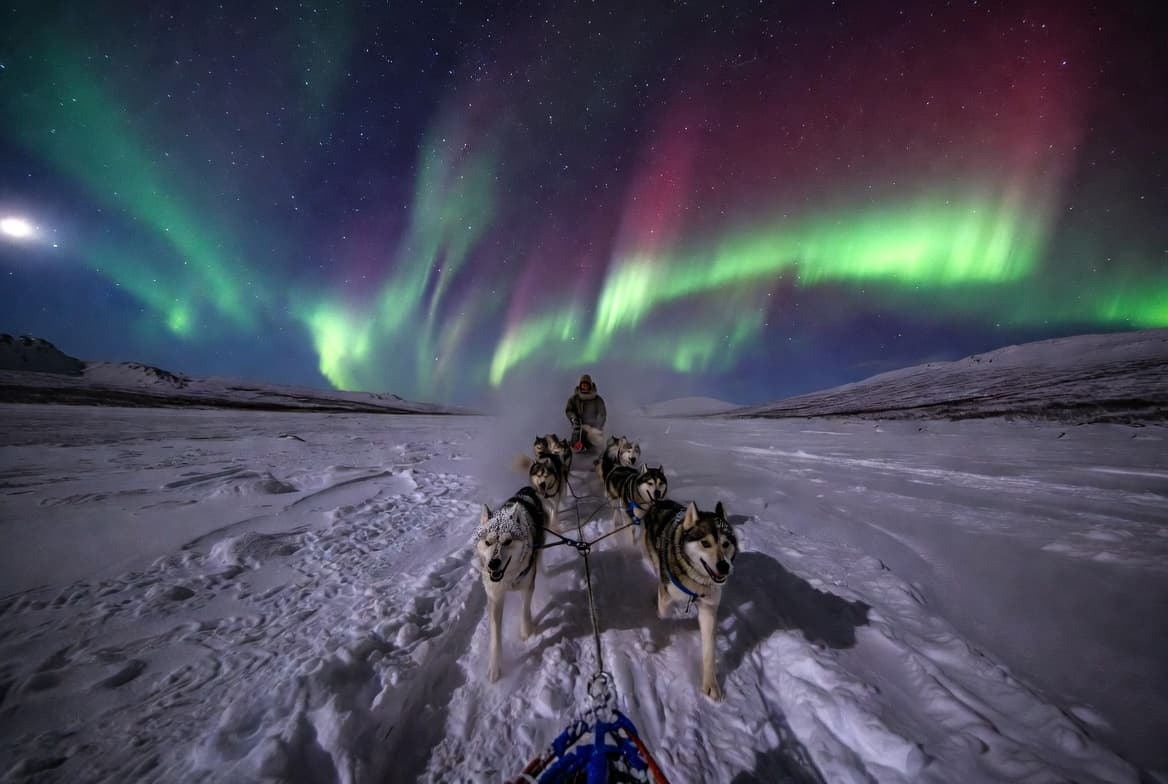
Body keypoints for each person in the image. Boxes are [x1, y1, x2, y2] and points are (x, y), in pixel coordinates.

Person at [565, 373, 606, 453]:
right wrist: (573, 418)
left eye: (586, 385)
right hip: (579, 424)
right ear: (580, 386)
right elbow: (569, 410)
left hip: (593, 426)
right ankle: (576, 447)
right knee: (577, 433)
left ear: (590, 386)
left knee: (597, 439)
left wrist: (598, 424)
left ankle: (593, 449)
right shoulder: (574, 398)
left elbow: (602, 413)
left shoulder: (597, 399)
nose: (584, 387)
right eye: (583, 385)